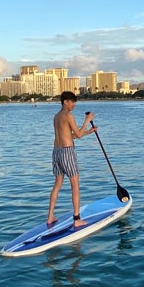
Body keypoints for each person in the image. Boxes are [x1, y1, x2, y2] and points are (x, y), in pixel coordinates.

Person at [47, 91, 97, 229]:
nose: (74, 104)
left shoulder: (56, 117)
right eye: (72, 101)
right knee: (75, 184)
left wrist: (88, 132)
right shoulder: (68, 115)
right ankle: (77, 219)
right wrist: (87, 120)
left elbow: (69, 135)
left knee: (57, 184)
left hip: (56, 152)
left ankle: (50, 216)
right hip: (67, 153)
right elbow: (78, 135)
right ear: (65, 102)